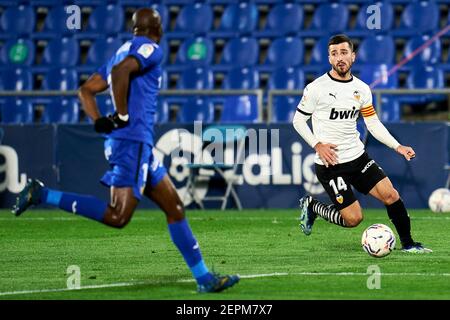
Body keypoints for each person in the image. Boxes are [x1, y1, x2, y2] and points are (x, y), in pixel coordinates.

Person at [12, 8, 240, 292]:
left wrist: (99, 121)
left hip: (137, 143)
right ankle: (42, 193)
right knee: (118, 216)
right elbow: (122, 72)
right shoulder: (151, 49)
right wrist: (121, 116)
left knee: (175, 208)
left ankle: (204, 278)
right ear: (158, 29)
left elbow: (86, 90)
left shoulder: (120, 51)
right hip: (132, 142)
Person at [293, 34, 432, 253]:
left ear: (353, 56)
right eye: (334, 53)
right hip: (331, 166)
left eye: (344, 52)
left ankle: (408, 244)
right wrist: (317, 144)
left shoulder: (362, 89)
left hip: (358, 159)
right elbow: (298, 120)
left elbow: (373, 123)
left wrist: (398, 146)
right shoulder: (316, 89)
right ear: (329, 59)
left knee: (391, 195)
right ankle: (313, 206)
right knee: (354, 219)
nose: (339, 58)